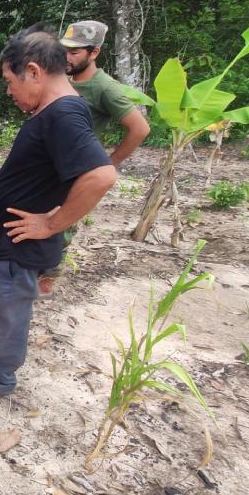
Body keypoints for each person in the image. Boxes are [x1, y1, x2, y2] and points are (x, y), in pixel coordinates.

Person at [0, 27, 117, 400]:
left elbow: (101, 176)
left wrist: (52, 223)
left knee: (6, 309)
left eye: (9, 81)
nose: (9, 91)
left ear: (33, 71)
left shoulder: (64, 114)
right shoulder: (53, 110)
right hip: (5, 239)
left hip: (20, 244)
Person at [37, 20, 151, 297]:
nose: (67, 57)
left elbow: (140, 128)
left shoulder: (103, 87)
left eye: (75, 52)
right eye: (64, 50)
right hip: (47, 168)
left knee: (61, 226)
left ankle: (46, 282)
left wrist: (108, 163)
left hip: (74, 171)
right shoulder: (61, 79)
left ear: (94, 52)